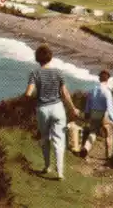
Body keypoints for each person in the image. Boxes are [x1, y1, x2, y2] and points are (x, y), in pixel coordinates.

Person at [24, 44, 80, 180]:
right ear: (50, 57)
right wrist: (72, 108)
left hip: (43, 109)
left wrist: (35, 95)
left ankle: (47, 166)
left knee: (45, 138)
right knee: (59, 140)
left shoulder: (35, 73)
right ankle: (60, 172)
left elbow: (28, 93)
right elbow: (65, 93)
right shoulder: (58, 72)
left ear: (37, 58)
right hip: (57, 108)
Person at [80, 70, 113, 159]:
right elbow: (110, 108)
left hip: (93, 113)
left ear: (99, 78)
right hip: (104, 114)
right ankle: (109, 156)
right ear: (107, 79)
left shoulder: (92, 90)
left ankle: (86, 147)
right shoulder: (107, 92)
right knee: (109, 134)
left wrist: (87, 114)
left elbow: (88, 104)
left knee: (93, 132)